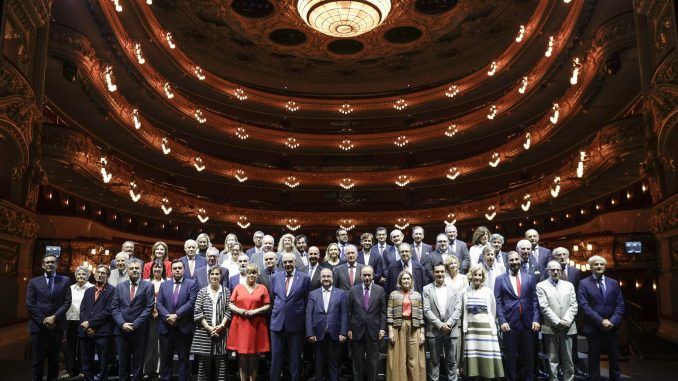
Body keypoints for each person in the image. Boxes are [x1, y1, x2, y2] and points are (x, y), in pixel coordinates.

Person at [494, 251, 541, 381]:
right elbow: (498, 303)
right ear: (507, 262)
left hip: (528, 322)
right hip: (509, 323)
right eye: (511, 260)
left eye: (516, 259)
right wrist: (502, 321)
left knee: (528, 356)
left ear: (520, 260)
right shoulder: (499, 279)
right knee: (510, 356)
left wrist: (536, 319)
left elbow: (535, 300)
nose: (514, 262)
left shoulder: (530, 278)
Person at [578, 255, 625, 381]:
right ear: (591, 267)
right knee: (594, 361)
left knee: (615, 360)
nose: (599, 266)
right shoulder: (583, 283)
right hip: (593, 328)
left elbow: (620, 305)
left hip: (612, 328)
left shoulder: (613, 283)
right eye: (596, 264)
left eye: (601, 264)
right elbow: (584, 305)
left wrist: (612, 321)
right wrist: (601, 321)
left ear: (605, 266)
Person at [27, 253, 72, 381]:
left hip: (56, 327)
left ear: (57, 265)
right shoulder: (33, 282)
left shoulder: (65, 280)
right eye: (47, 262)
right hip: (38, 327)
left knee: (54, 360)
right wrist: (43, 320)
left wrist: (54, 317)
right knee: (37, 361)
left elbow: (67, 302)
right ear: (42, 265)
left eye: (52, 262)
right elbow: (30, 303)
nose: (50, 264)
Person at [111, 258, 155, 381]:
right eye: (131, 268)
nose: (134, 270)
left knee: (138, 362)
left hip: (139, 330)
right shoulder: (120, 286)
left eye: (137, 268)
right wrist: (122, 324)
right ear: (127, 270)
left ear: (141, 270)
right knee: (123, 363)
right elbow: (114, 307)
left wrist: (135, 324)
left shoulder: (148, 286)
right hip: (121, 331)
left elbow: (149, 307)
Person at [269, 253, 310, 381]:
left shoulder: (304, 278)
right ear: (282, 263)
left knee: (295, 358)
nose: (287, 264)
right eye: (285, 262)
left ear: (295, 262)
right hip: (277, 323)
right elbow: (272, 299)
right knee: (276, 358)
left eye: (290, 262)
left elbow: (307, 300)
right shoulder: (275, 277)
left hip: (296, 323)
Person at [156, 259, 199, 381]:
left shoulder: (191, 284)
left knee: (183, 359)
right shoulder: (164, 284)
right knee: (165, 359)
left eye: (180, 268)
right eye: (175, 268)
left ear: (184, 270)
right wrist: (168, 317)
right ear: (171, 270)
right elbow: (159, 304)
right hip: (166, 327)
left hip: (183, 327)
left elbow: (191, 303)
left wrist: (177, 315)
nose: (177, 270)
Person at [228, 264, 271, 381]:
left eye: (254, 273)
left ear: (257, 274)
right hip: (240, 324)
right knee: (242, 355)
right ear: (245, 274)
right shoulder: (238, 287)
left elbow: (267, 305)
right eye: (249, 273)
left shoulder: (262, 288)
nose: (251, 275)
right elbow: (231, 304)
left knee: (254, 355)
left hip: (256, 324)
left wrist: (256, 311)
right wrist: (240, 310)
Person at [536, 260, 578, 381]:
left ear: (561, 270)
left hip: (568, 326)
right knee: (552, 359)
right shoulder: (541, 286)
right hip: (551, 326)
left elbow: (574, 305)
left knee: (568, 359)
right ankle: (553, 379)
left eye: (557, 270)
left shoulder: (569, 285)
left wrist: (566, 320)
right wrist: (558, 322)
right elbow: (544, 307)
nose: (555, 272)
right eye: (552, 270)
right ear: (547, 271)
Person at [462, 264, 504, 380]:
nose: (477, 277)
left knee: (487, 357)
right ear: (471, 276)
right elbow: (464, 311)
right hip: (471, 330)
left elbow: (493, 310)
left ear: (483, 277)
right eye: (475, 274)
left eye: (480, 275)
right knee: (475, 359)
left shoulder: (488, 291)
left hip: (486, 330)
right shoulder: (465, 291)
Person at [306, 268, 348, 381]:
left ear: (332, 279)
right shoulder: (313, 294)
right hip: (318, 335)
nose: (326, 279)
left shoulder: (341, 294)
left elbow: (344, 314)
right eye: (323, 277)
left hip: (335, 335)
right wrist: (310, 333)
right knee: (318, 366)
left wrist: (343, 332)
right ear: (320, 279)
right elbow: (309, 314)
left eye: (328, 276)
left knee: (333, 365)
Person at [191, 266, 231, 381]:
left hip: (221, 333)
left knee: (222, 368)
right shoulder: (202, 292)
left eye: (217, 274)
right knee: (203, 368)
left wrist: (222, 326)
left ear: (221, 276)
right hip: (204, 333)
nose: (214, 276)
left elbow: (228, 310)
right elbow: (197, 311)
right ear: (208, 276)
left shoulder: (226, 291)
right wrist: (208, 327)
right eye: (212, 274)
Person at [423, 263, 462, 381]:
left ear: (445, 272)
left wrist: (448, 324)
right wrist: (441, 325)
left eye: (441, 271)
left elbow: (458, 308)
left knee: (452, 361)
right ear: (434, 273)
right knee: (434, 361)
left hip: (451, 329)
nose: (439, 274)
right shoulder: (427, 289)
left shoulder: (454, 288)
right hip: (434, 330)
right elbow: (426, 310)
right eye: (437, 272)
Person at [386, 271, 426, 381]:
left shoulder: (417, 295)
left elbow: (421, 315)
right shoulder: (394, 294)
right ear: (400, 281)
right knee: (398, 358)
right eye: (404, 279)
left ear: (411, 280)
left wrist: (422, 333)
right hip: (397, 328)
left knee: (414, 358)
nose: (406, 281)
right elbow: (389, 313)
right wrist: (390, 331)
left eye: (408, 278)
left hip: (414, 328)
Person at [348, 265, 386, 381]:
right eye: (364, 275)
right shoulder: (353, 290)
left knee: (373, 362)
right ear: (360, 276)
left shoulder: (380, 290)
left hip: (373, 331)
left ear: (373, 276)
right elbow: (349, 311)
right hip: (356, 331)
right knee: (357, 362)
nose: (367, 277)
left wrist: (382, 329)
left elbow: (383, 312)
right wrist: (349, 329)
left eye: (369, 275)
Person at [80, 264, 115, 381]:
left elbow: (108, 311)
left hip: (102, 331)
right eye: (98, 272)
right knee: (86, 359)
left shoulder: (112, 290)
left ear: (108, 276)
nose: (100, 275)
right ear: (94, 275)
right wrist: (86, 325)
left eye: (103, 273)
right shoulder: (88, 290)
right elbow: (83, 309)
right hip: (86, 331)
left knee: (103, 361)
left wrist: (89, 323)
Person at [62, 266, 93, 379]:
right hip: (70, 320)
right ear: (75, 276)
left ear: (88, 276)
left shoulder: (92, 288)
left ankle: (82, 370)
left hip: (84, 321)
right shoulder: (69, 288)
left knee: (83, 347)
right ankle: (70, 370)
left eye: (83, 274)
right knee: (69, 347)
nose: (81, 276)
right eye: (78, 274)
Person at [143, 260, 165, 378]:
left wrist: (159, 311)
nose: (157, 269)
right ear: (151, 269)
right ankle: (146, 370)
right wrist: (151, 310)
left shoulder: (167, 282)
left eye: (159, 267)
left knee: (159, 344)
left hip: (162, 317)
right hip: (148, 317)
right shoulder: (146, 282)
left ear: (163, 269)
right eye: (155, 267)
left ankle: (158, 370)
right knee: (148, 343)